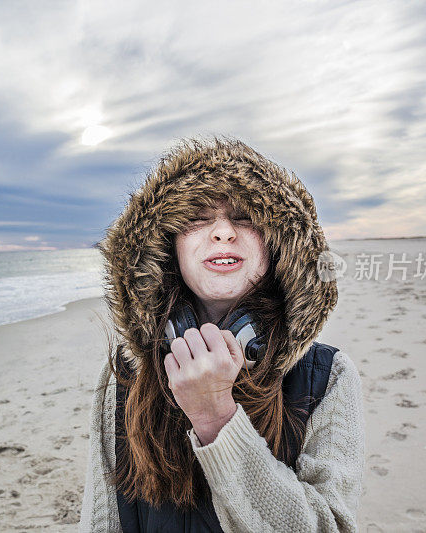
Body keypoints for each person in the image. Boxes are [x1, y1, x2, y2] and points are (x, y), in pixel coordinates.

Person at [79, 137, 365, 532]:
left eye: (245, 217)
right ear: (167, 245)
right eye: (197, 217)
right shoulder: (124, 377)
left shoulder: (327, 376)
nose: (223, 232)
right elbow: (103, 521)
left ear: (278, 243)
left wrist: (216, 418)